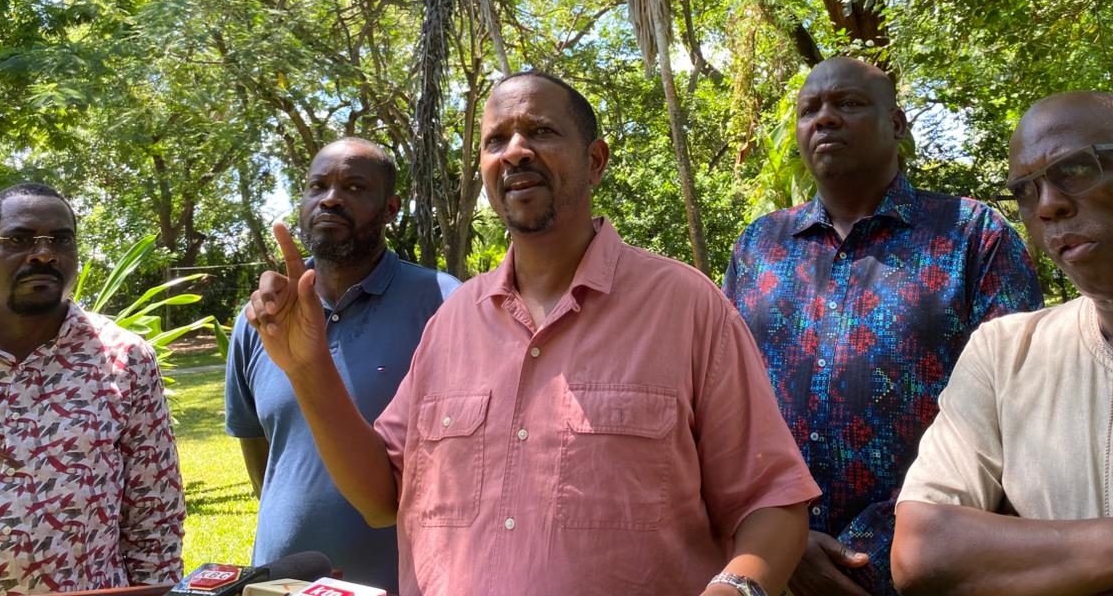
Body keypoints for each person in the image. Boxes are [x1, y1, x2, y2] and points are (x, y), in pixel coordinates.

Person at [244, 71, 821, 596]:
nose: (515, 151)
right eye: (496, 141)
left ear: (595, 161)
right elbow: (380, 499)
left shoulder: (688, 307)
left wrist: (735, 590)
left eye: (540, 131)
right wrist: (308, 368)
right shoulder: (452, 324)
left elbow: (772, 502)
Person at [891, 91, 1113, 595]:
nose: (1049, 205)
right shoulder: (1005, 354)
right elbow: (925, 552)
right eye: (1025, 192)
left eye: (1077, 169)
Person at [723, 57, 1042, 596]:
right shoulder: (760, 245)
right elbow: (725, 404)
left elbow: (1017, 411)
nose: (824, 119)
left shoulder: (972, 236)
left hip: (929, 566)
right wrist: (784, 539)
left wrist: (880, 545)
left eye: (847, 103)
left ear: (897, 125)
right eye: (809, 110)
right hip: (774, 568)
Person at [226, 138, 457, 593]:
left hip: (403, 582)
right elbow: (258, 449)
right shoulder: (264, 317)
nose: (331, 198)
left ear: (390, 208)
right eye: (319, 186)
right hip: (281, 581)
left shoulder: (443, 304)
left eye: (354, 187)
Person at [0, 182, 184, 595]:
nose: (44, 254)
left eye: (61, 240)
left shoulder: (125, 359)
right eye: (19, 239)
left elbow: (154, 515)